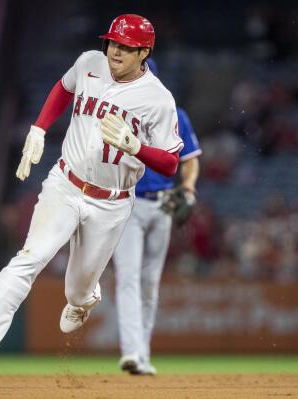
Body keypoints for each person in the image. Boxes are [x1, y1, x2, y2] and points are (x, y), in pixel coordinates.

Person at [0, 14, 184, 372]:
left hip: (111, 203)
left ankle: (85, 296)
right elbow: (64, 88)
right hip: (65, 185)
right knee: (29, 259)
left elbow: (171, 162)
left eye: (126, 47)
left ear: (144, 52)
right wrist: (39, 128)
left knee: (76, 292)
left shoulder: (158, 99)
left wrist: (136, 147)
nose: (116, 51)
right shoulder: (89, 62)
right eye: (113, 42)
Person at [112, 59, 201, 376]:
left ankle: (143, 354)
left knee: (149, 283)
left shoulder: (175, 115)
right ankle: (133, 353)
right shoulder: (116, 116)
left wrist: (188, 189)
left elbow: (190, 160)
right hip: (128, 204)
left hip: (163, 204)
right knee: (129, 277)